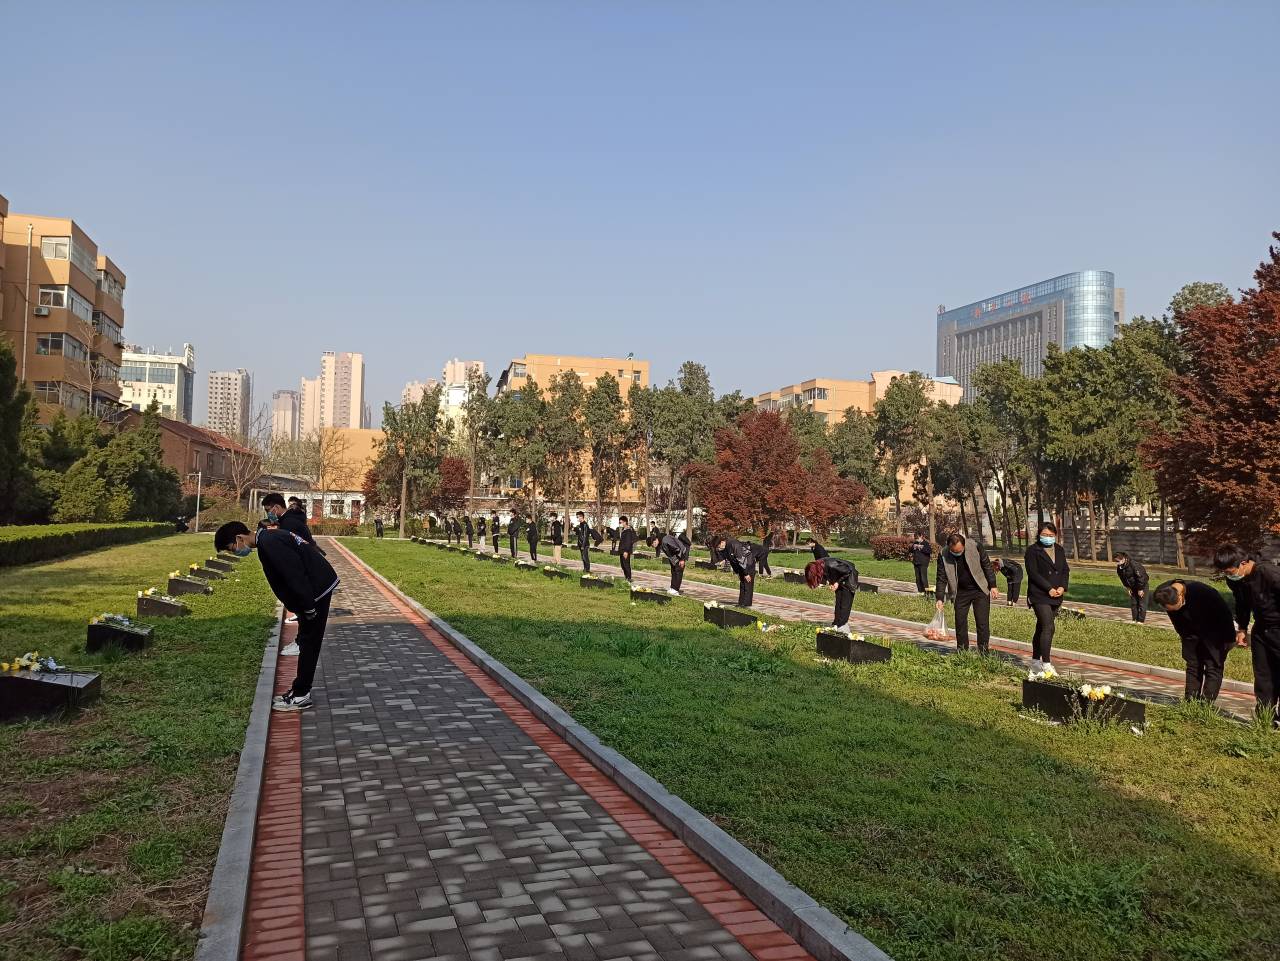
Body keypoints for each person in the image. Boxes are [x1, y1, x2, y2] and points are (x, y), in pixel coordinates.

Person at [215, 520, 339, 712]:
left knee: (309, 644)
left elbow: (294, 574)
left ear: (239, 538)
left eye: (232, 548)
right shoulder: (268, 538)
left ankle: (301, 695)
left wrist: (308, 606)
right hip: (315, 590)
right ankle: (298, 690)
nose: (236, 552)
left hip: (316, 592)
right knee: (307, 642)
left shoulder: (269, 543)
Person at [1213, 545, 1280, 723]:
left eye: (1229, 571)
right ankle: (1266, 717)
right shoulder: (1237, 580)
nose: (1228, 575)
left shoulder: (1269, 573)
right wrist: (1242, 628)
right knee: (1263, 674)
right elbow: (1242, 604)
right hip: (1261, 628)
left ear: (1243, 563)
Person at [1153, 579, 1239, 703]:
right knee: (1193, 665)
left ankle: (1206, 703)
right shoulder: (1162, 593)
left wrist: (1230, 639)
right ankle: (1190, 700)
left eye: (1179, 606)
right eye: (1172, 610)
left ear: (1180, 596)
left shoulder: (1202, 592)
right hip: (1189, 633)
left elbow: (1225, 614)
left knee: (1213, 666)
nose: (1176, 611)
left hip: (1214, 633)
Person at [935, 533, 999, 654]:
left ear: (964, 545)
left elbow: (986, 565)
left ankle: (983, 651)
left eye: (960, 551)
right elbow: (941, 577)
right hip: (960, 592)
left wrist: (993, 585)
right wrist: (939, 598)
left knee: (982, 623)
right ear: (949, 547)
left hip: (980, 589)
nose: (957, 553)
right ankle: (962, 651)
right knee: (960, 622)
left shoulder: (975, 546)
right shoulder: (943, 554)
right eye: (954, 551)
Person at [1024, 522, 1070, 672]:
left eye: (1051, 535)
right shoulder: (1032, 551)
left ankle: (1035, 660)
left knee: (1042, 627)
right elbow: (1033, 573)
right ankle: (1046, 664)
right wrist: (1048, 588)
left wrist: (1062, 587)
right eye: (1044, 535)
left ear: (1055, 535)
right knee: (1048, 626)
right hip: (1039, 594)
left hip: (1056, 595)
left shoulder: (1059, 550)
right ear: (1039, 535)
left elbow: (1065, 570)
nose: (1048, 537)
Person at [806, 556, 860, 634]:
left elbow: (848, 571)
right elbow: (831, 573)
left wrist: (837, 582)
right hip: (841, 578)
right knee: (838, 603)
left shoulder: (831, 565)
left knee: (845, 605)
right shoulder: (820, 566)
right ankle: (836, 624)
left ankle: (843, 628)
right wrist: (832, 583)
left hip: (849, 579)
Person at [714, 535, 757, 608]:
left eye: (719, 546)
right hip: (740, 565)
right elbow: (732, 561)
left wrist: (746, 573)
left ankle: (746, 604)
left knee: (747, 583)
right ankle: (741, 603)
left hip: (748, 563)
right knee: (742, 584)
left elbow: (741, 560)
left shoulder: (733, 544)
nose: (719, 548)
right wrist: (737, 572)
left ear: (722, 542)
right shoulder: (726, 548)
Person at [649, 530, 689, 595]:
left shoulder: (665, 540)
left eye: (652, 545)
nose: (653, 546)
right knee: (673, 572)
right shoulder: (661, 541)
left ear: (655, 540)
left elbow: (677, 549)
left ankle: (676, 590)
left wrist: (682, 560)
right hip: (675, 557)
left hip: (681, 554)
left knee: (678, 572)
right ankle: (672, 588)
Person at [1115, 552, 1149, 623]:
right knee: (1134, 603)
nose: (1117, 563)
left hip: (1142, 585)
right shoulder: (1120, 567)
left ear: (1124, 559)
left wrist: (1140, 589)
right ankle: (1134, 619)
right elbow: (1122, 578)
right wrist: (1127, 587)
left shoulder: (1134, 565)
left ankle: (1140, 621)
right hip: (1132, 587)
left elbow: (1141, 577)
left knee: (1142, 604)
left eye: (1118, 561)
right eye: (1116, 561)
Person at [618, 516, 636, 581]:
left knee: (626, 565)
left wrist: (626, 551)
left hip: (625, 551)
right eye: (620, 523)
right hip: (622, 551)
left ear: (625, 522)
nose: (620, 524)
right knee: (623, 565)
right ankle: (626, 578)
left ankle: (629, 578)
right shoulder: (624, 530)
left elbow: (628, 542)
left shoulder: (628, 531)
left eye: (621, 522)